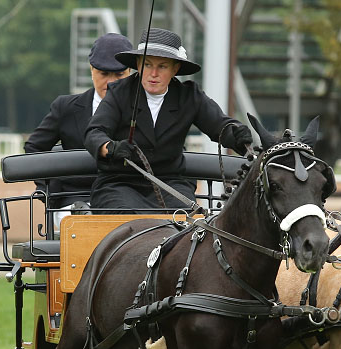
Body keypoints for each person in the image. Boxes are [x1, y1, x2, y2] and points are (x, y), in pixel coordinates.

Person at [84, 28, 253, 211]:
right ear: (138, 65)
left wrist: (236, 133)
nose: (153, 73)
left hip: (170, 183)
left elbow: (221, 126)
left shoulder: (189, 96)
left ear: (175, 69)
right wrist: (111, 148)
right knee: (127, 217)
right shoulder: (119, 92)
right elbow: (95, 132)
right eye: (147, 65)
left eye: (162, 66)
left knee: (184, 221)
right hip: (119, 183)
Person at [23, 32, 133, 214]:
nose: (111, 82)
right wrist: (49, 190)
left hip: (131, 199)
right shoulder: (65, 108)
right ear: (91, 70)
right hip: (74, 200)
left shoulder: (146, 110)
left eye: (119, 74)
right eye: (104, 73)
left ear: (130, 72)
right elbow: (34, 148)